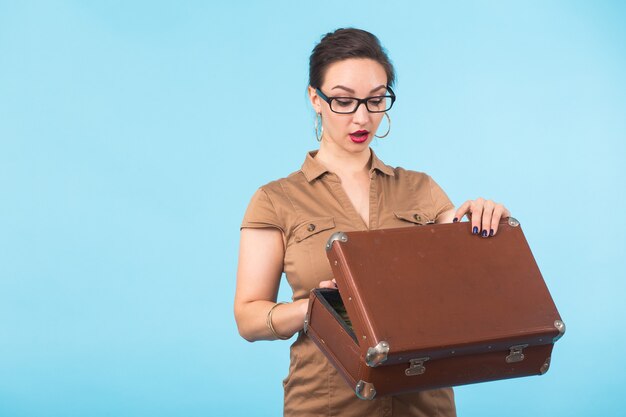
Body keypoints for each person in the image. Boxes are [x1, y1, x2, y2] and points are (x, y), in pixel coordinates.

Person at [234, 28, 511, 417]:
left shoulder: (422, 190)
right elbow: (248, 317)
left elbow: (468, 268)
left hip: (424, 402)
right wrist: (316, 309)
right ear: (315, 98)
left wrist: (486, 217)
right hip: (328, 403)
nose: (363, 117)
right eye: (344, 101)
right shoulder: (275, 200)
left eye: (376, 100)